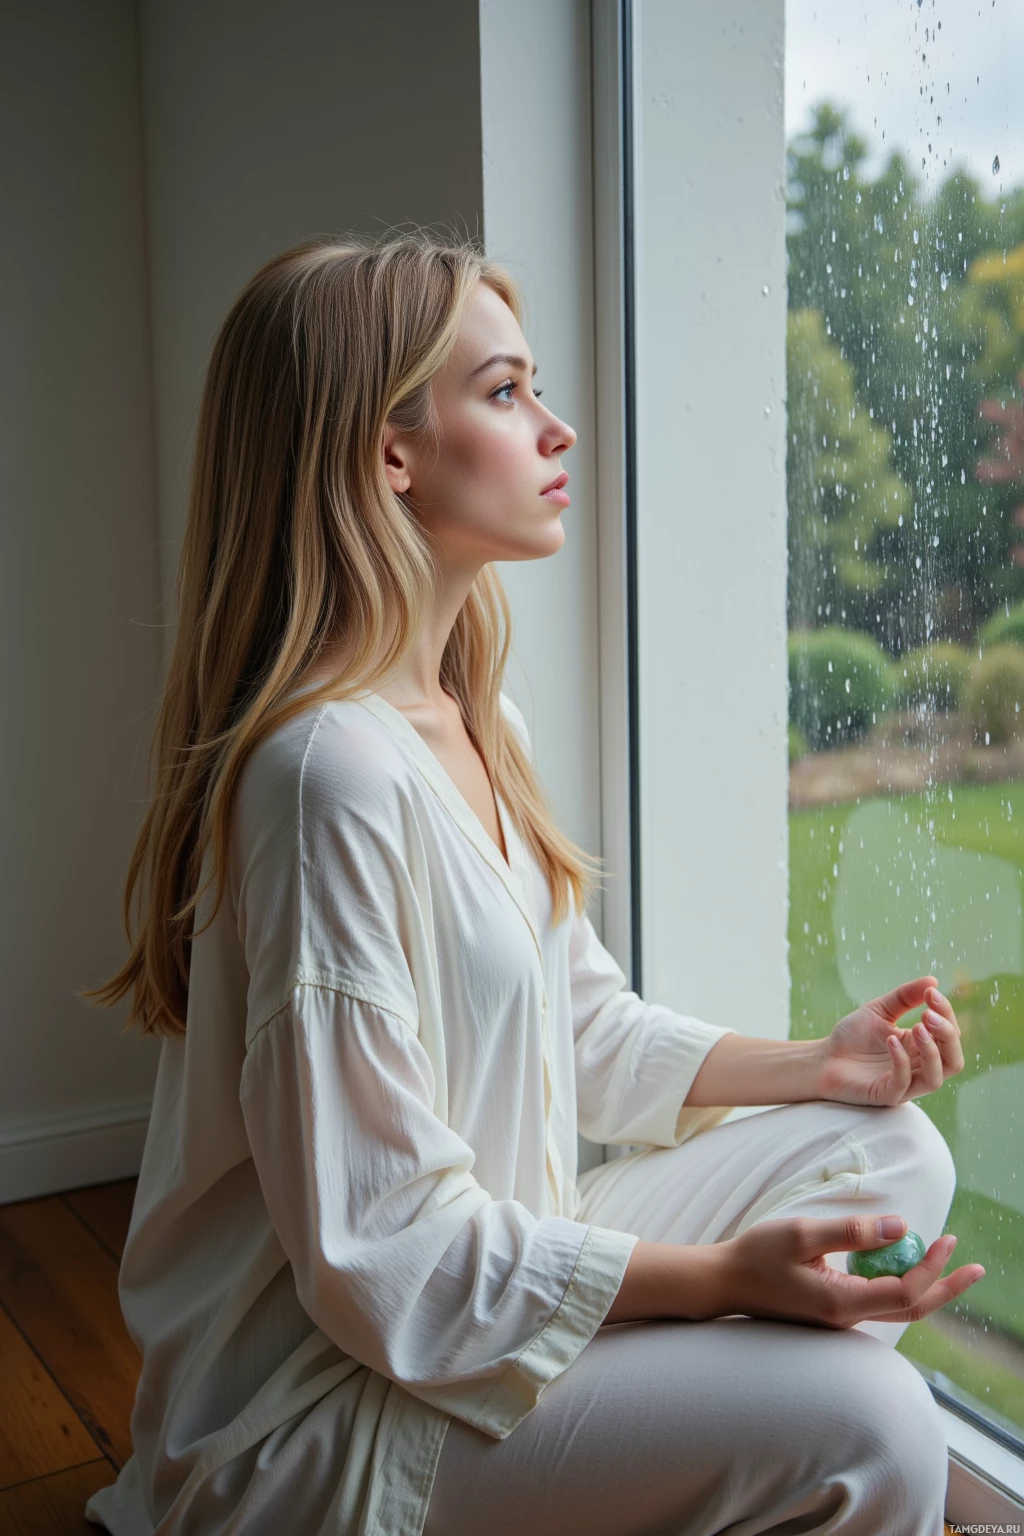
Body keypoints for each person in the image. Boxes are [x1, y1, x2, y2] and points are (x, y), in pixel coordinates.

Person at [80, 230, 984, 1536]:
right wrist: (722, 1277)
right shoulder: (327, 774)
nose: (556, 430)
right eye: (505, 394)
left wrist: (819, 1067)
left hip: (478, 1273)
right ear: (388, 451)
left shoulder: (467, 711)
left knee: (885, 1151)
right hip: (320, 1413)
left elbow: (580, 1026)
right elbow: (382, 1250)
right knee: (880, 1425)